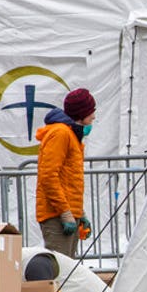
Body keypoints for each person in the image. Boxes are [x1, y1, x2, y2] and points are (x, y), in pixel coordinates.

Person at [35, 87, 95, 258]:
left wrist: (79, 212)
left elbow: (69, 180)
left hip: (65, 214)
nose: (94, 117)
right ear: (81, 113)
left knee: (68, 270)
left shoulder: (71, 136)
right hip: (56, 216)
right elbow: (48, 176)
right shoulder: (60, 134)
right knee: (60, 271)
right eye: (91, 112)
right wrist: (65, 213)